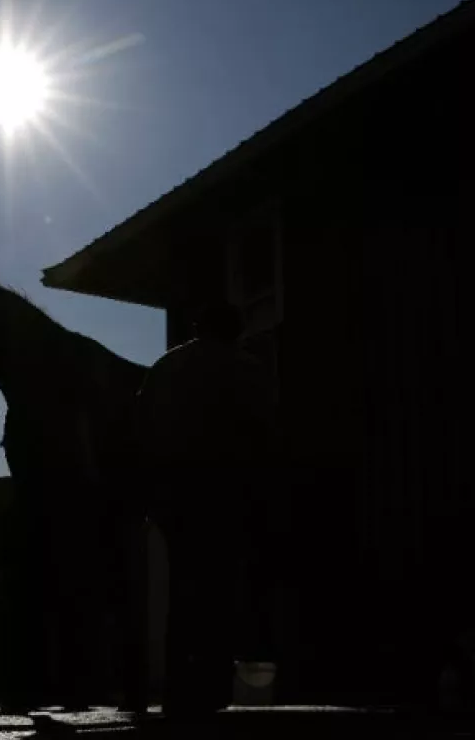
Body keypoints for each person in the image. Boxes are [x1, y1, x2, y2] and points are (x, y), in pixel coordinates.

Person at [137, 298, 281, 716]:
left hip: (174, 496)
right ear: (235, 330)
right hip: (227, 493)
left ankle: (180, 686)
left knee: (183, 589)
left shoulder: (165, 368)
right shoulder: (246, 370)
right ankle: (214, 684)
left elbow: (141, 426)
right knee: (221, 587)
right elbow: (265, 434)